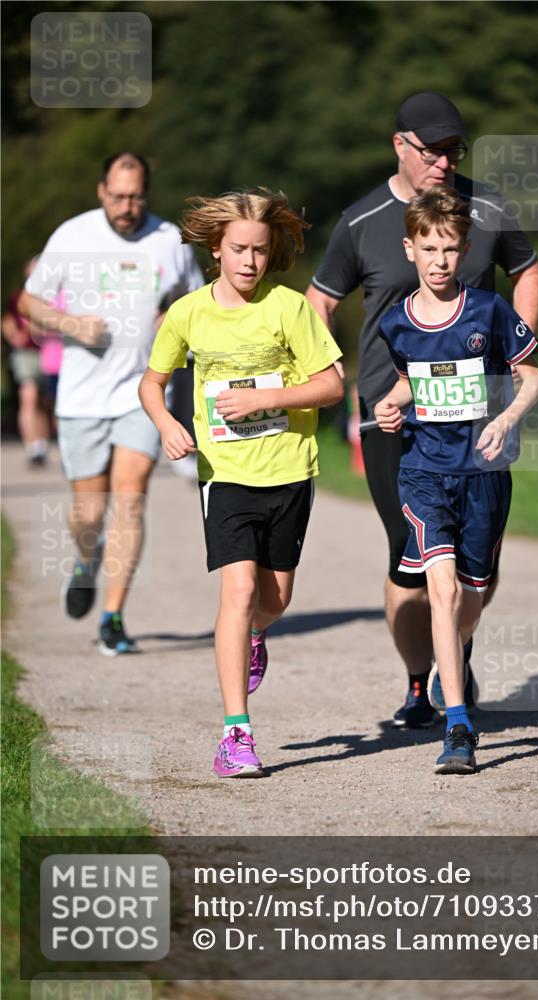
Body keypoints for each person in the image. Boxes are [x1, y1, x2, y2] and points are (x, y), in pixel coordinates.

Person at [306, 91, 538, 728]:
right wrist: (328, 376)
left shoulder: (486, 207)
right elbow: (319, 301)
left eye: (452, 150)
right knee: (407, 553)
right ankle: (421, 684)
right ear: (400, 146)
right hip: (394, 413)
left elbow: (528, 270)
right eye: (431, 149)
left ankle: (454, 644)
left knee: (479, 571)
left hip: (479, 410)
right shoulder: (361, 221)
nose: (443, 160)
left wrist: (514, 343)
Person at [139, 188, 343, 778]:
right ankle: (236, 733)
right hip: (224, 475)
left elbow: (331, 385)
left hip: (289, 471)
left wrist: (270, 396)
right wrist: (166, 424)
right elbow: (151, 384)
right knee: (235, 593)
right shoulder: (188, 313)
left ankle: (257, 635)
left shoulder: (288, 308)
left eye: (260, 250)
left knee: (272, 601)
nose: (250, 262)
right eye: (239, 250)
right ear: (216, 250)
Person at [374, 187, 538, 772]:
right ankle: (458, 727)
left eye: (450, 249)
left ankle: (458, 648)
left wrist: (505, 418)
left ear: (466, 251)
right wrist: (389, 405)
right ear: (410, 249)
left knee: (469, 597)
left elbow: (535, 378)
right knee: (440, 590)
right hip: (424, 472)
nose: (440, 260)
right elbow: (408, 381)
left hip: (485, 475)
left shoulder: (489, 312)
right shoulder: (396, 322)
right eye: (429, 248)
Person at [18, 152, 203, 654]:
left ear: (147, 192)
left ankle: (113, 617)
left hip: (141, 393)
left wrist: (176, 322)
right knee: (88, 511)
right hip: (81, 397)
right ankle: (85, 558)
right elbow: (29, 302)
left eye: (137, 196)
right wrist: (71, 324)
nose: (127, 206)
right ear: (102, 191)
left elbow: (198, 301)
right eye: (119, 196)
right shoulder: (71, 236)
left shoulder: (169, 240)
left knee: (130, 498)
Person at [2, 257, 51, 466]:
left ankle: (42, 442)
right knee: (28, 397)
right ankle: (33, 446)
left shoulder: (53, 297)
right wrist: (16, 336)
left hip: (50, 354)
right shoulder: (18, 297)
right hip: (26, 354)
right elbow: (7, 320)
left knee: (44, 403)